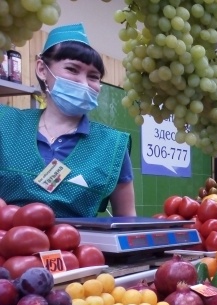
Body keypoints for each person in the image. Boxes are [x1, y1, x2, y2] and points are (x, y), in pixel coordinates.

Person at [0, 23, 136, 217]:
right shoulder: (5, 123)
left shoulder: (112, 145)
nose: (83, 83)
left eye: (93, 77)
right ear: (42, 69)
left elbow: (127, 219)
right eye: (72, 69)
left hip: (76, 238)